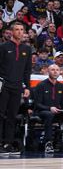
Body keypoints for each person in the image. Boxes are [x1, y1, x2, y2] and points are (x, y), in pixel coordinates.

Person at [32, 64, 63, 153]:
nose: (55, 72)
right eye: (53, 70)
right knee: (50, 115)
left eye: (57, 70)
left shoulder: (61, 86)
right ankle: (48, 143)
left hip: (58, 112)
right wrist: (50, 108)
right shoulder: (41, 85)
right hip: (43, 112)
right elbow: (37, 104)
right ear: (48, 72)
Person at [0, 21, 32, 153]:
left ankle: (8, 143)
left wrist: (27, 87)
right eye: (17, 29)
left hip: (18, 86)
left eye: (21, 30)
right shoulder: (3, 47)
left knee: (13, 116)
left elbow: (27, 70)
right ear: (11, 32)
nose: (20, 32)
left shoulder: (27, 49)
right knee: (0, 115)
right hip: (4, 85)